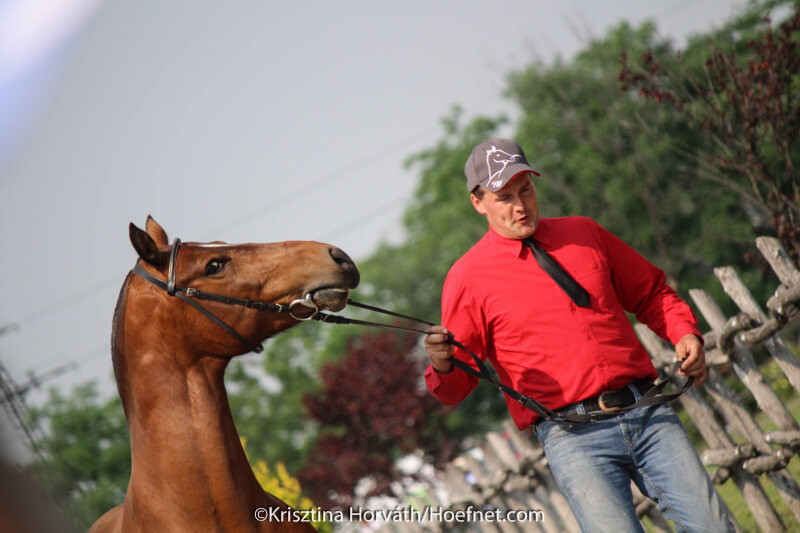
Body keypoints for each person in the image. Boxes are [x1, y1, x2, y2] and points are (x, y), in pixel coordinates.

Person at [424, 138, 734, 533]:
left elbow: (652, 293)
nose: (520, 205)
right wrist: (442, 365)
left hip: (647, 410)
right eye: (504, 197)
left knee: (714, 526)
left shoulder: (584, 232)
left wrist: (684, 333)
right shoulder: (467, 279)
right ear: (478, 202)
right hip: (572, 438)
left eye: (526, 190)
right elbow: (455, 387)